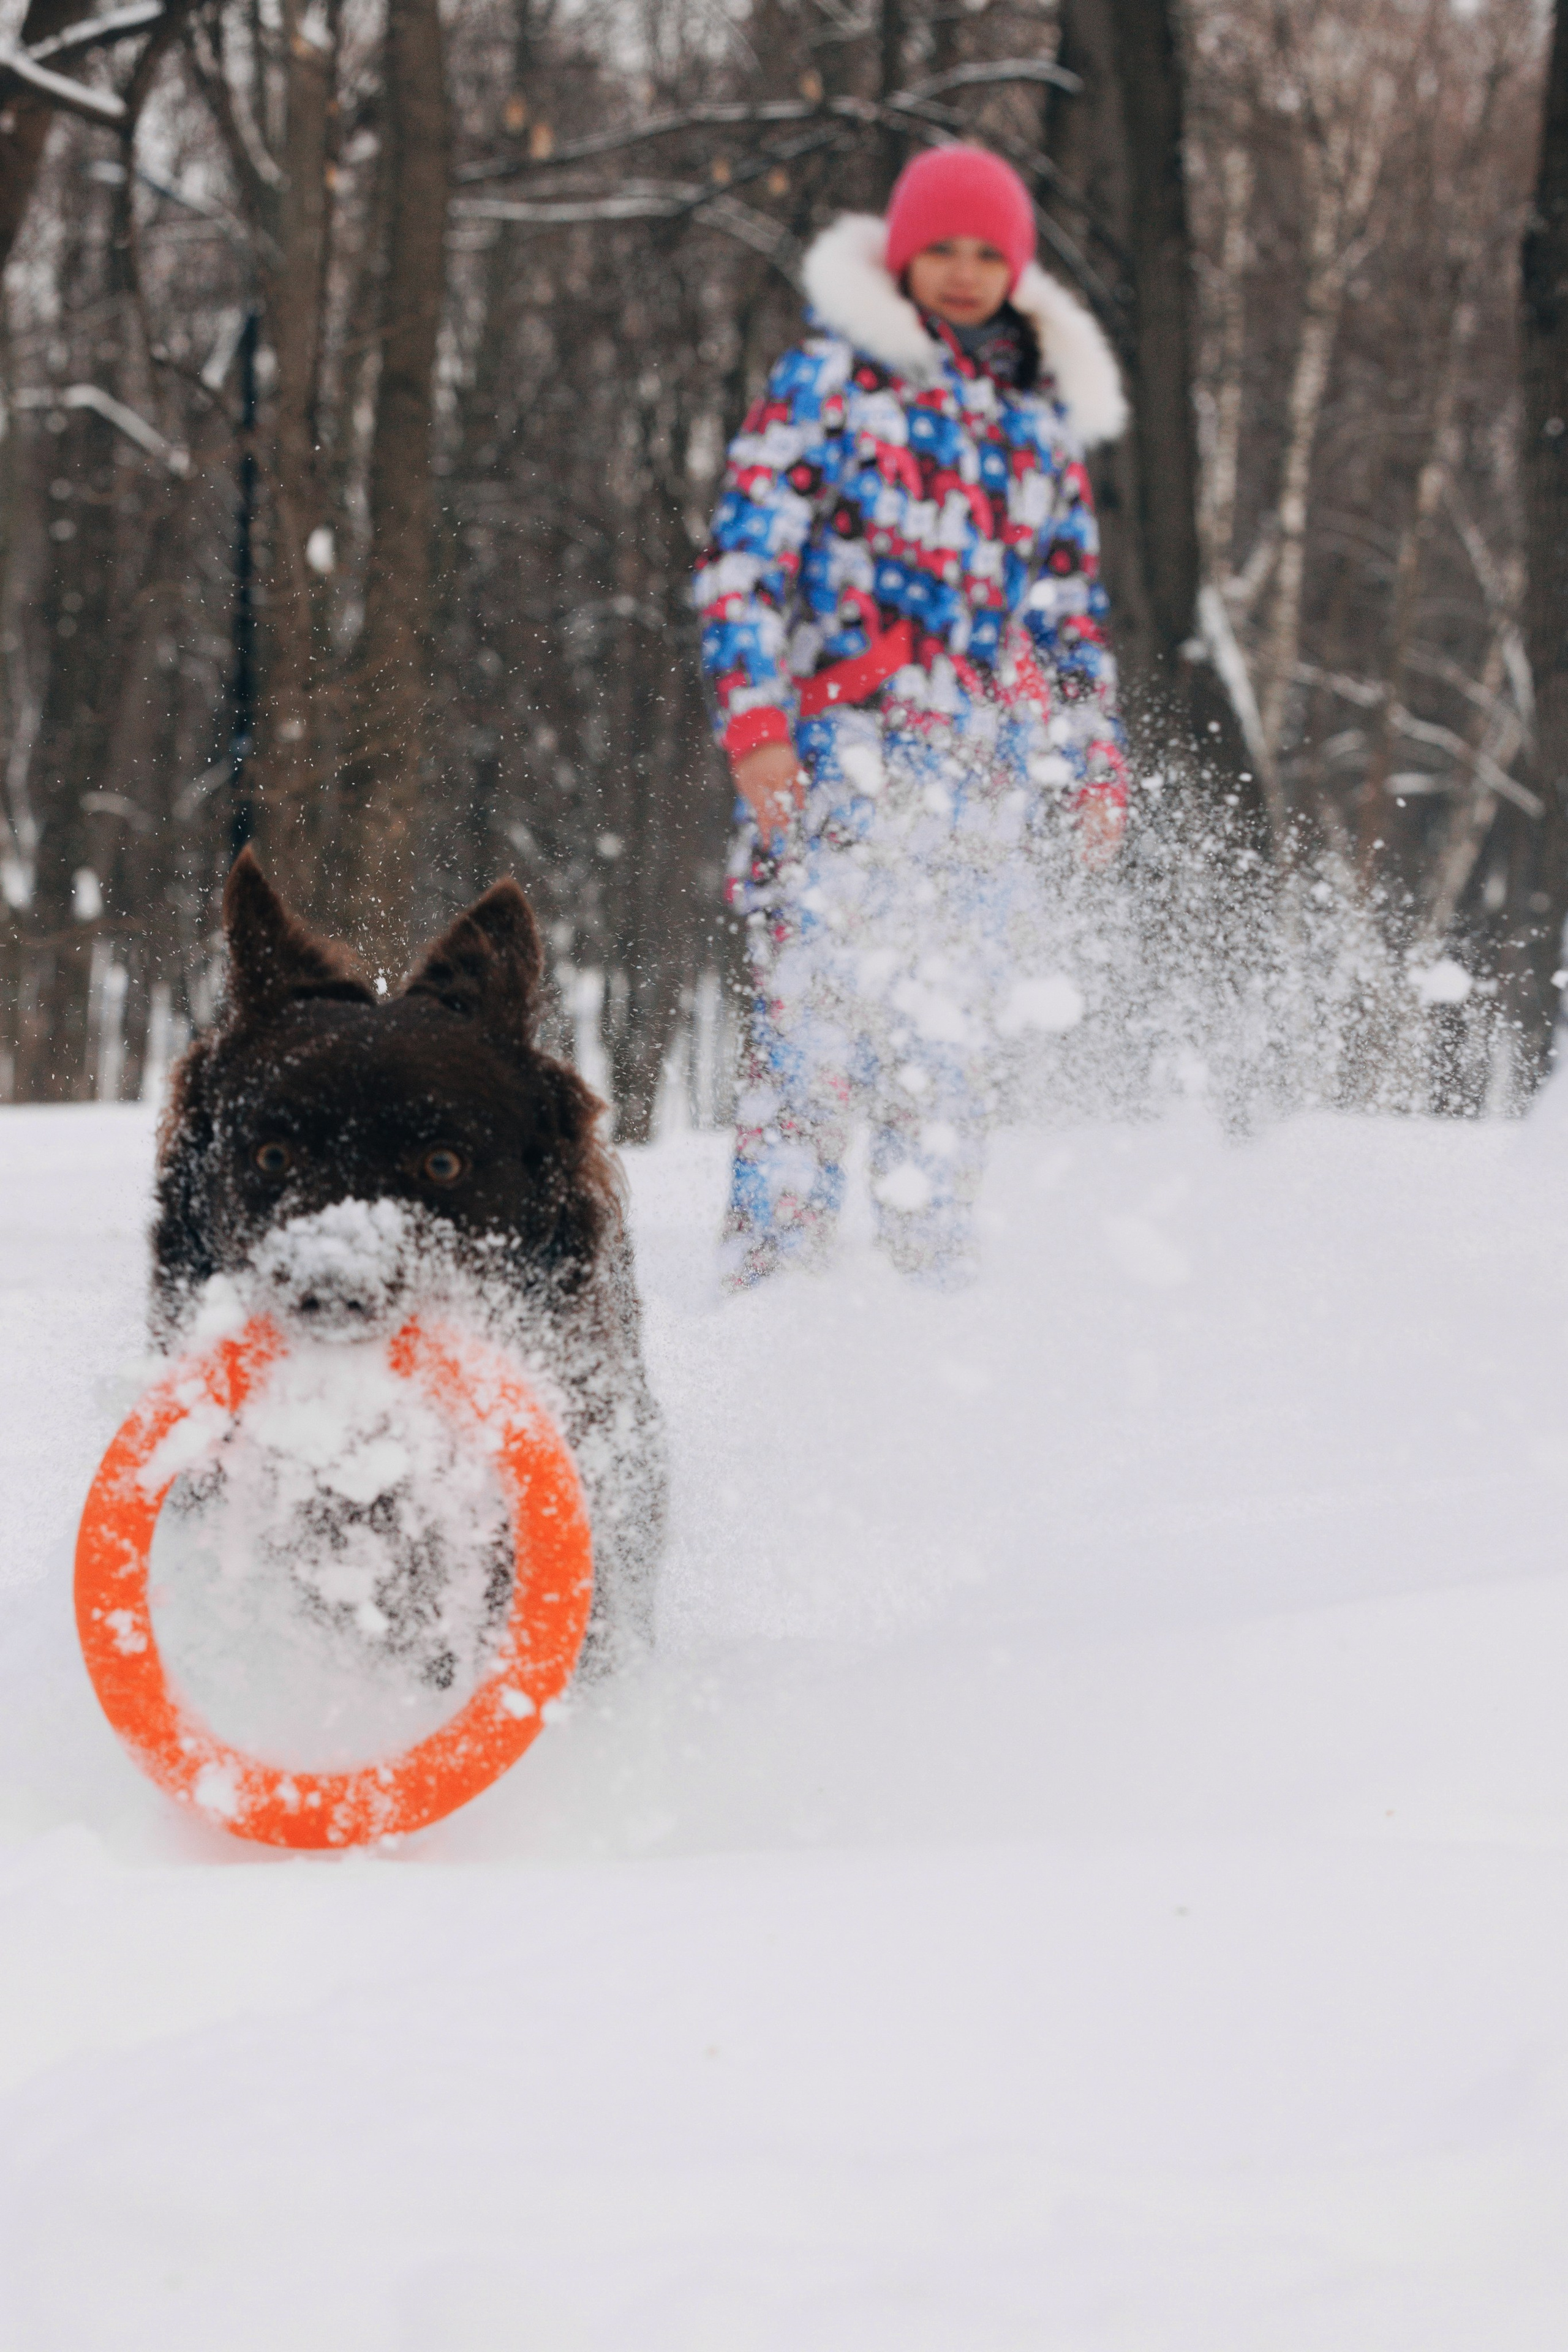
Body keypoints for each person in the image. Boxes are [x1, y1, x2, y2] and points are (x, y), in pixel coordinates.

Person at [695, 143, 1129, 1289]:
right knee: (813, 1035)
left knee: (947, 1045)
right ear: (902, 253)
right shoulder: (833, 384)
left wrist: (1092, 761)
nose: (965, 271)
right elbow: (743, 561)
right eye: (942, 246)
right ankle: (775, 1287)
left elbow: (1068, 615)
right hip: (842, 755)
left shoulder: (1040, 424)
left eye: (990, 252)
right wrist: (756, 722)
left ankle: (930, 1300)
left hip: (981, 775)